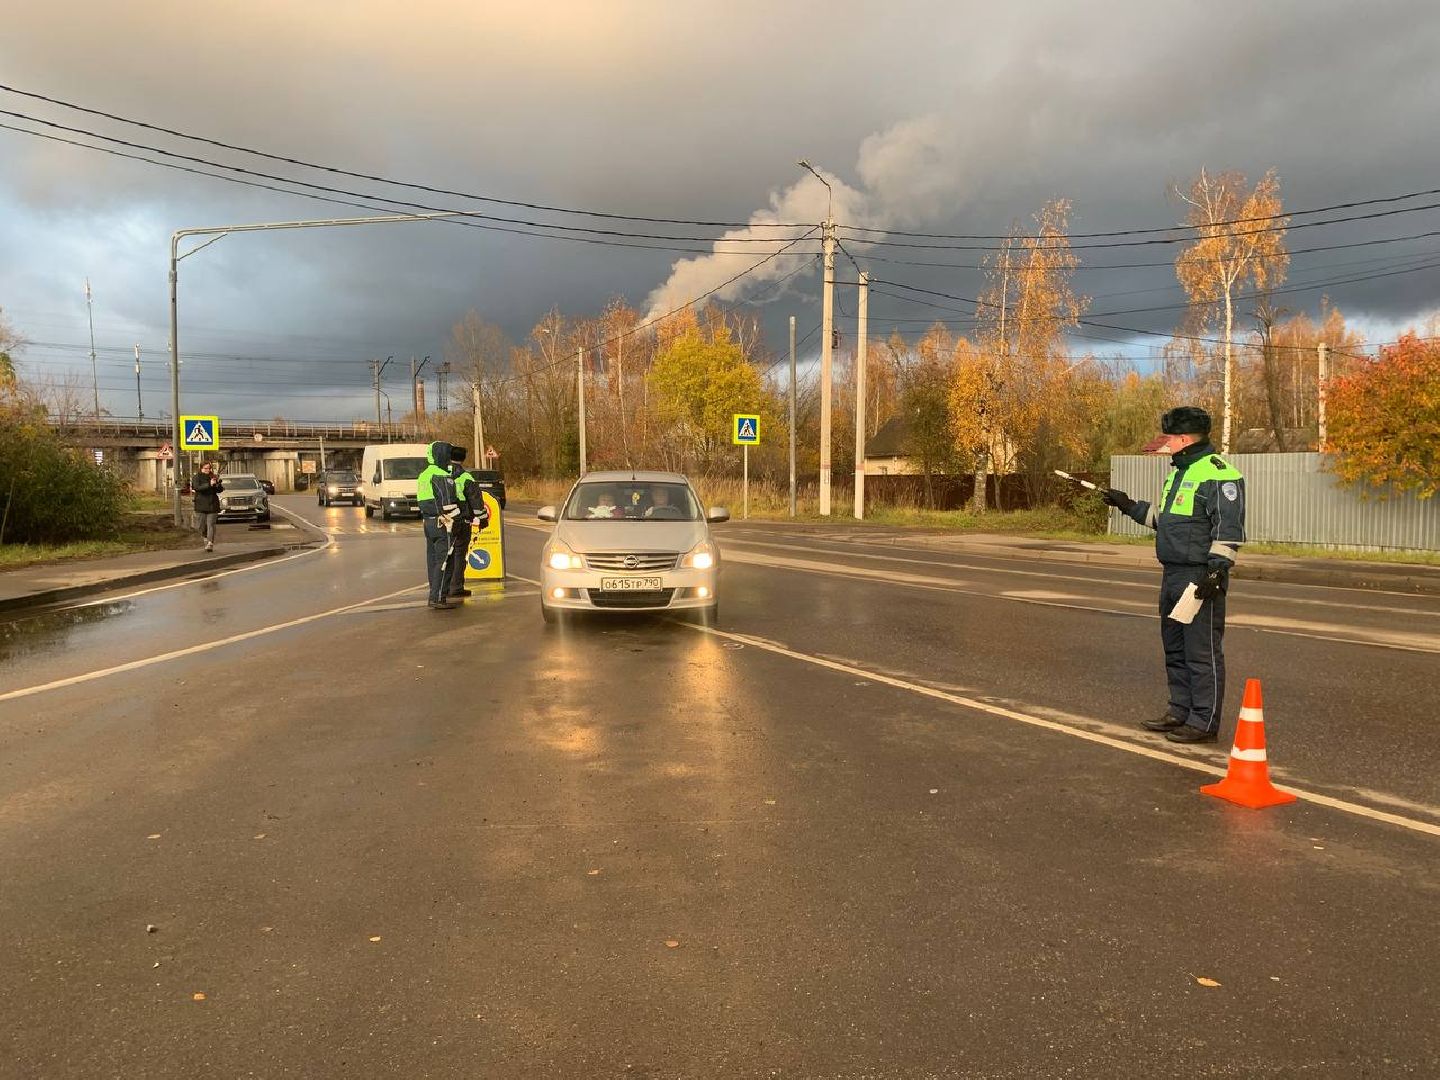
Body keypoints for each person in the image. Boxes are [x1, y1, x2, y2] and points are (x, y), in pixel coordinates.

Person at [1103, 406, 1245, 744]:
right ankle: (1180, 710)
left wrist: (1215, 573)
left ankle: (1203, 721)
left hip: (1200, 576)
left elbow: (1230, 529)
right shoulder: (1179, 474)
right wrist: (1127, 505)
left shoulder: (1219, 473)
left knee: (1201, 651)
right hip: (1172, 574)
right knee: (1176, 648)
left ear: (1183, 438)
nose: (1165, 443)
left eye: (1168, 437)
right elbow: (1165, 521)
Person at [416, 441, 461, 611]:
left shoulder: (424, 475)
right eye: (448, 455)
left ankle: (433, 592)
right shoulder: (442, 476)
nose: (449, 459)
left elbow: (423, 501)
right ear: (441, 455)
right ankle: (438, 597)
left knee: (433, 560)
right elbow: (448, 503)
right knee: (445, 561)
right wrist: (458, 519)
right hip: (443, 523)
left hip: (428, 522)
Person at [447, 446, 487, 601]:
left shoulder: (440, 474)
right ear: (463, 459)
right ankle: (456, 587)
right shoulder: (466, 478)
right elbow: (476, 502)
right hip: (461, 521)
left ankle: (441, 587)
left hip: (443, 520)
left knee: (444, 555)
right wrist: (482, 520)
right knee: (458, 554)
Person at [192, 461, 223, 552]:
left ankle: (210, 543)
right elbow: (197, 488)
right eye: (205, 468)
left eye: (209, 468)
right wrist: (209, 484)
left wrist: (217, 484)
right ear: (201, 468)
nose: (207, 470)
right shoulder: (196, 477)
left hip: (212, 504)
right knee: (201, 526)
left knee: (211, 524)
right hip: (201, 504)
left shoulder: (213, 476)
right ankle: (205, 537)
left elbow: (219, 490)